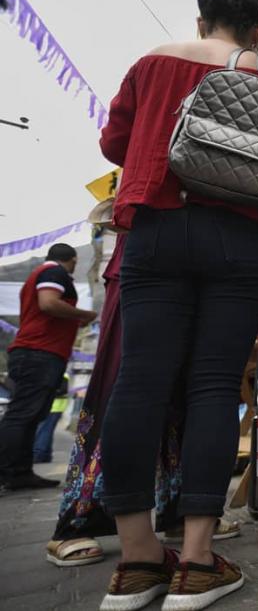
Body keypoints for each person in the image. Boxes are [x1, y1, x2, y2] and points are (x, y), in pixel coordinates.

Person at [95, 0, 258, 609]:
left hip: (158, 225)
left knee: (139, 380)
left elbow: (113, 144)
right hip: (241, 237)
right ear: (256, 31)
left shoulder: (151, 62)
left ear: (201, 20)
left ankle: (137, 561)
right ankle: (195, 561)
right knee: (215, 386)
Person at [46, 235, 240, 569]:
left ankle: (179, 512)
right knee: (126, 381)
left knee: (189, 392)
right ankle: (78, 519)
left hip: (210, 259)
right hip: (149, 254)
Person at [0, 243, 96, 493]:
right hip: (39, 352)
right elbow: (49, 303)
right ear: (72, 259)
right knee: (22, 414)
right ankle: (7, 471)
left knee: (31, 415)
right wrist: (83, 314)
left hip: (39, 353)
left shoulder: (43, 274)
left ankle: (20, 472)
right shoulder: (54, 272)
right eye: (74, 263)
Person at [33, 374, 69, 463]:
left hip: (53, 407)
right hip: (54, 407)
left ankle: (39, 453)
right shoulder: (59, 373)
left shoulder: (60, 374)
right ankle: (46, 454)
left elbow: (62, 390)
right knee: (47, 431)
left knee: (44, 431)